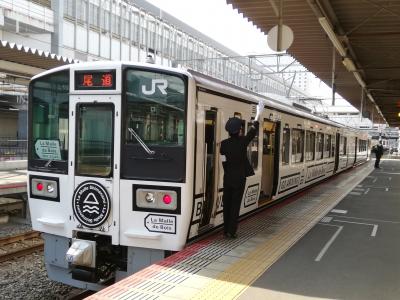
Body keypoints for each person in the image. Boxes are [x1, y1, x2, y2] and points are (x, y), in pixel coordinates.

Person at [220, 117, 259, 238]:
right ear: (239, 130)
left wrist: (228, 171)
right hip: (240, 178)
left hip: (228, 178)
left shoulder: (224, 144)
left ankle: (225, 230)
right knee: (235, 205)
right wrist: (256, 121)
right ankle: (232, 231)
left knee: (227, 204)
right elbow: (252, 133)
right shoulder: (242, 141)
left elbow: (223, 161)